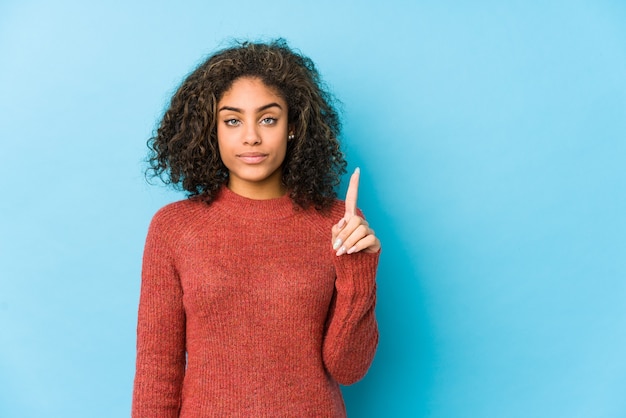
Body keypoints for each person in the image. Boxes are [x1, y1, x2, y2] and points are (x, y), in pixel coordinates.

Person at [132, 39, 381, 417]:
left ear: (293, 126)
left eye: (268, 119)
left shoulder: (339, 224)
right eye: (233, 120)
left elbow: (348, 369)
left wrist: (359, 273)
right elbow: (157, 370)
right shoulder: (174, 228)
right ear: (210, 130)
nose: (251, 136)